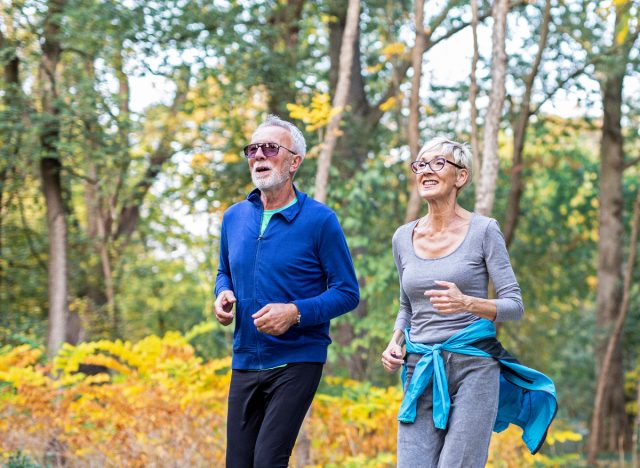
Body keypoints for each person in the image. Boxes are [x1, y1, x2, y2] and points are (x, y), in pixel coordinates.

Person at [381, 137, 557, 467]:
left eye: (437, 163)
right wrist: (395, 342)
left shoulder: (483, 230)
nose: (426, 171)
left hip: (474, 367)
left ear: (461, 177)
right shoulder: (403, 237)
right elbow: (406, 306)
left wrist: (467, 303)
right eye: (420, 164)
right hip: (420, 367)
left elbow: (514, 304)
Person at [214, 115, 360, 468]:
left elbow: (347, 291)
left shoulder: (320, 220)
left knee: (268, 461)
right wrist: (222, 294)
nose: (258, 155)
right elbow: (224, 272)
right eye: (253, 149)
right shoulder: (234, 217)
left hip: (298, 359)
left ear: (294, 162)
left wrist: (294, 313)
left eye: (270, 148)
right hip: (246, 357)